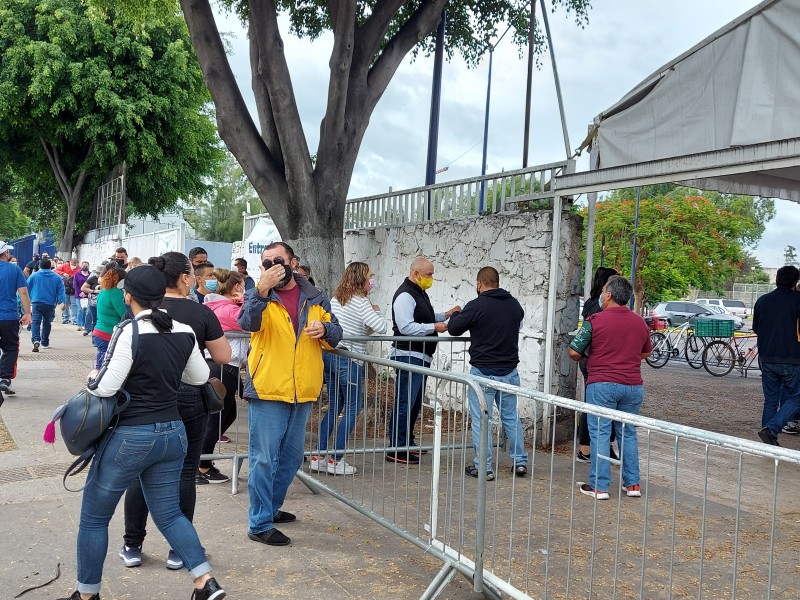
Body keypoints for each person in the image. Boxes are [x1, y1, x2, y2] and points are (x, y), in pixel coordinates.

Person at [59, 265, 226, 600]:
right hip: (172, 434)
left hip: (131, 436)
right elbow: (197, 378)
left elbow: (106, 389)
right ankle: (205, 582)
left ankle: (87, 594)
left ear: (128, 296)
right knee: (169, 512)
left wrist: (93, 375)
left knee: (94, 518)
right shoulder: (183, 329)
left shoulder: (130, 330)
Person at [120, 252, 231, 570]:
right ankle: (178, 550)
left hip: (143, 399)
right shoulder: (199, 312)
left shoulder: (141, 310)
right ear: (184, 277)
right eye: (194, 274)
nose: (198, 279)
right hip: (188, 398)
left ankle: (132, 546)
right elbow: (222, 356)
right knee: (185, 472)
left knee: (141, 473)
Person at [238, 241, 342, 547]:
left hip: (304, 390)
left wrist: (325, 330)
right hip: (269, 388)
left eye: (278, 260)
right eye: (266, 262)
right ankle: (259, 523)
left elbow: (336, 332)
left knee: (292, 457)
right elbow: (246, 322)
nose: (272, 266)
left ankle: (269, 508)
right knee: (264, 459)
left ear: (292, 263)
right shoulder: (257, 294)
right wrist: (260, 291)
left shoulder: (314, 296)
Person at [567, 275, 652, 500]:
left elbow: (574, 351)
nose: (601, 294)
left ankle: (599, 486)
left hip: (602, 385)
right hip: (633, 386)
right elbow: (645, 352)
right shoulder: (640, 322)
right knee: (629, 433)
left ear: (609, 295)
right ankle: (633, 484)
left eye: (604, 290)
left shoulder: (594, 320)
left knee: (600, 433)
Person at [447, 266, 528, 480]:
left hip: (483, 372)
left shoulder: (476, 305)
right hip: (510, 371)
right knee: (511, 417)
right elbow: (518, 323)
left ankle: (484, 467)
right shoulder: (514, 305)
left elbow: (454, 328)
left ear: (479, 284)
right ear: (497, 283)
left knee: (482, 419)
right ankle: (520, 461)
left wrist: (457, 312)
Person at [311, 262, 388, 475]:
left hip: (331, 355)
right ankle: (336, 459)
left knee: (335, 406)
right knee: (353, 409)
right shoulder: (362, 302)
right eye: (370, 276)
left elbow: (357, 329)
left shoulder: (337, 299)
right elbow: (381, 327)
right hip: (349, 360)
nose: (372, 281)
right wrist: (377, 312)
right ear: (361, 279)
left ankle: (318, 455)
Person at [388, 257, 460, 464]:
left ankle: (406, 442)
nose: (431, 278)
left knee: (414, 403)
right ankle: (397, 447)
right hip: (409, 354)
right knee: (405, 402)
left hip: (419, 355)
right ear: (416, 274)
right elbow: (406, 327)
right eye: (429, 274)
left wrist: (444, 315)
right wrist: (433, 328)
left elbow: (424, 316)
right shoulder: (405, 295)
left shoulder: (418, 293)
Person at [200, 268, 249, 479]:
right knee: (217, 419)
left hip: (226, 367)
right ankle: (201, 465)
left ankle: (202, 461)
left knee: (227, 415)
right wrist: (247, 300)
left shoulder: (219, 305)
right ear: (237, 287)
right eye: (243, 285)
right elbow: (252, 320)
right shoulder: (228, 310)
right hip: (223, 366)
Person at [577, 267, 619, 463]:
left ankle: (595, 448)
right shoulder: (599, 307)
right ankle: (587, 448)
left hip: (590, 359)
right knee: (595, 405)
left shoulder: (589, 303)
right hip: (594, 361)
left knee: (596, 404)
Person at [754, 265, 800, 446]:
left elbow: (757, 328)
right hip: (792, 358)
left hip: (766, 357)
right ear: (795, 281)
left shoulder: (763, 300)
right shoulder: (797, 301)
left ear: (777, 279)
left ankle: (767, 439)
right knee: (797, 397)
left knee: (770, 400)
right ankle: (772, 429)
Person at [0, 242, 31, 394]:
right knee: (10, 348)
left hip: (7, 316)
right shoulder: (14, 269)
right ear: (5, 253)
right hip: (8, 317)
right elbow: (23, 292)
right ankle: (5, 379)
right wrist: (28, 313)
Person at [26, 258, 66, 352]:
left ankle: (36, 339)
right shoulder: (57, 277)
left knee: (35, 322)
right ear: (51, 266)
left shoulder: (34, 276)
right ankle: (45, 342)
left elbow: (26, 288)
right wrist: (61, 301)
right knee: (47, 323)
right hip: (50, 303)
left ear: (40, 266)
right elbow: (61, 291)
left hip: (37, 302)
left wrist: (27, 299)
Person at [91, 265, 126, 370]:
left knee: (101, 363)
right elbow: (124, 314)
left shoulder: (104, 290)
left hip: (99, 331)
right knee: (104, 366)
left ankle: (96, 379)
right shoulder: (116, 293)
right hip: (108, 334)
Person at [56, 258, 80, 325]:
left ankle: (75, 319)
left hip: (73, 289)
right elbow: (56, 270)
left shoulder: (79, 269)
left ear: (77, 264)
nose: (73, 266)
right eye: (72, 264)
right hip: (65, 287)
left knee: (74, 304)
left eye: (74, 265)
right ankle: (65, 318)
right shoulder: (65, 266)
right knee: (65, 303)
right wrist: (63, 273)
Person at [81, 266, 103, 337]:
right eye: (97, 273)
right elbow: (83, 288)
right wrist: (94, 291)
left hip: (101, 302)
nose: (98, 275)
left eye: (100, 273)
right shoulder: (92, 279)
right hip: (92, 302)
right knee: (93, 318)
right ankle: (90, 332)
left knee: (99, 320)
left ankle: (96, 336)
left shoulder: (106, 279)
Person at [74, 261, 91, 331]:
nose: (85, 267)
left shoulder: (91, 274)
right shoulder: (77, 274)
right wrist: (80, 293)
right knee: (80, 309)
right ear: (81, 266)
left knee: (86, 310)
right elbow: (75, 285)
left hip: (88, 295)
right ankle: (79, 324)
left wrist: (88, 293)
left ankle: (85, 324)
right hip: (79, 295)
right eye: (84, 266)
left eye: (87, 266)